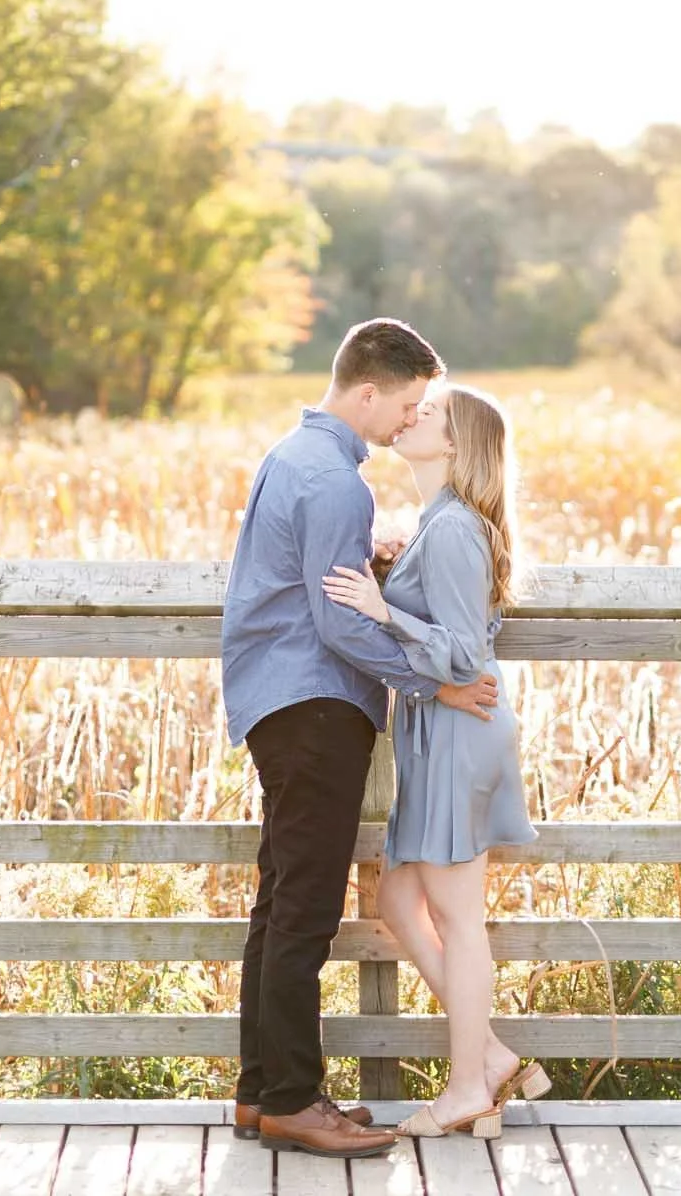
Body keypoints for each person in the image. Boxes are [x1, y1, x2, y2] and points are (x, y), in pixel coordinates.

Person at [219, 319, 503, 1160]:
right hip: (316, 705)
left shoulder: (291, 459)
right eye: (408, 403)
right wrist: (437, 683)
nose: (407, 421)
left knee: (279, 902)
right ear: (369, 391)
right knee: (304, 908)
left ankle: (259, 1092)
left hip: (279, 700)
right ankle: (295, 1102)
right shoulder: (336, 483)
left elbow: (323, 584)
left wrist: (379, 564)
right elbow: (339, 626)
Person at [321, 381, 547, 1141]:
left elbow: (460, 654)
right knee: (397, 901)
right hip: (441, 735)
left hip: (459, 732)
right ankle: (489, 1057)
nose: (415, 414)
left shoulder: (453, 531)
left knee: (457, 915)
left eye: (433, 413)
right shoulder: (440, 524)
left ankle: (465, 1092)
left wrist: (383, 609)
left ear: (456, 445)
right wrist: (393, 570)